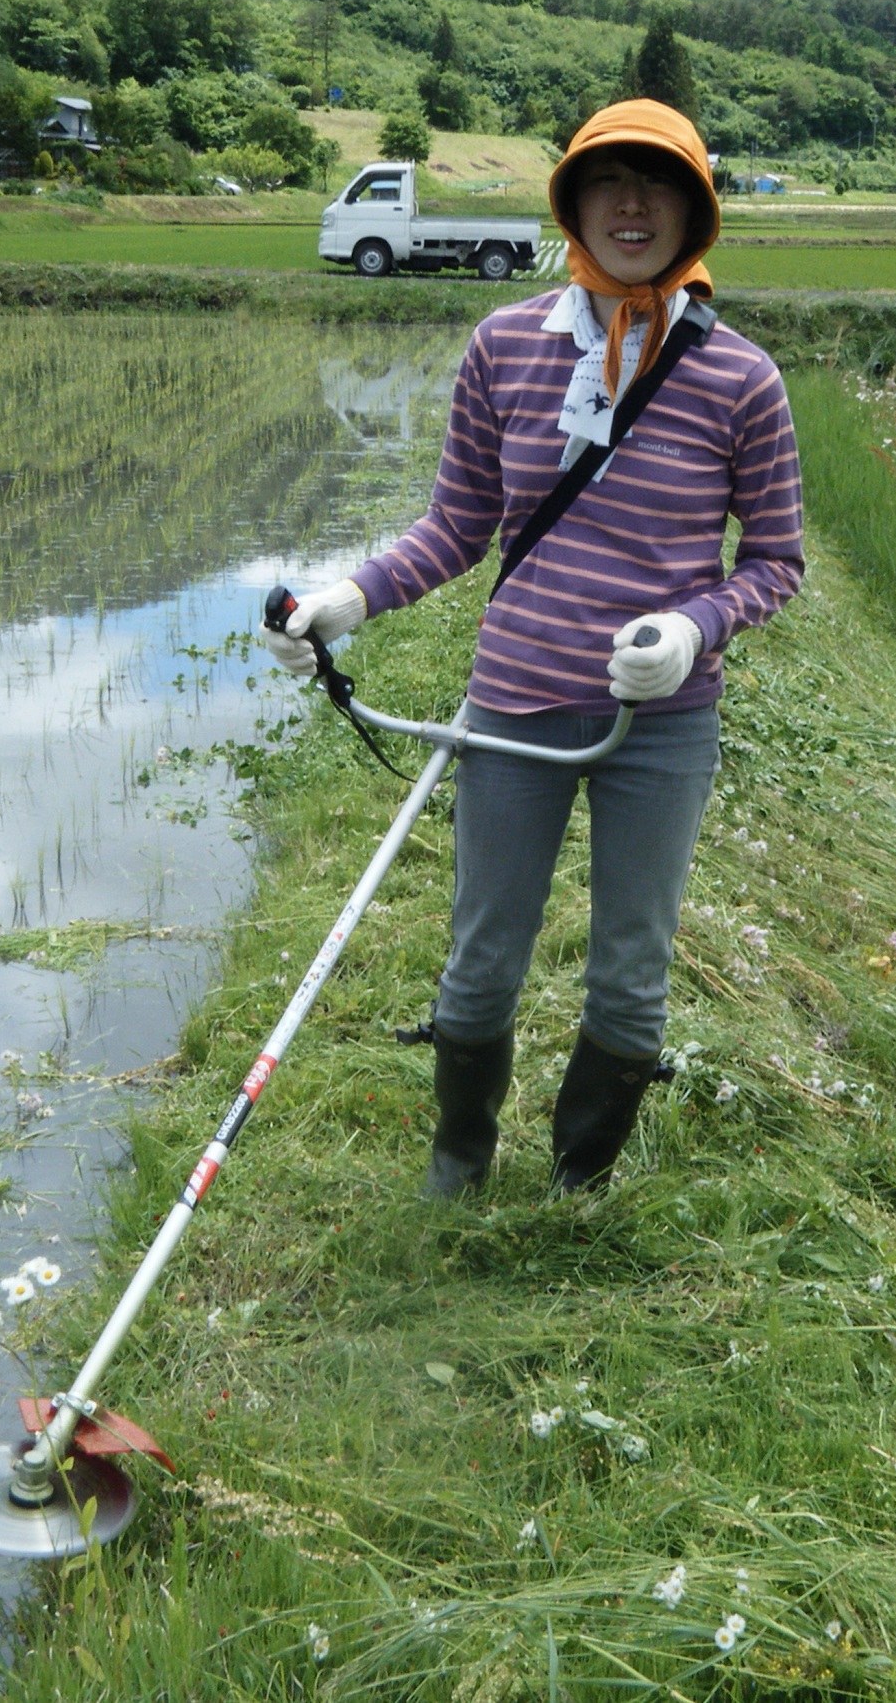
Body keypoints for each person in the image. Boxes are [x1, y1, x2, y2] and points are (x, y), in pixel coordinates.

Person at [263, 100, 803, 1195]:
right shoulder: (503, 344)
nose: (633, 205)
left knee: (630, 977)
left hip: (662, 724)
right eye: (609, 181)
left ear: (695, 209)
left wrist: (692, 626)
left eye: (659, 184)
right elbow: (458, 526)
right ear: (572, 201)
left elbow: (777, 562)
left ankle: (577, 1182)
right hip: (511, 704)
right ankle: (459, 1161)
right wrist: (347, 601)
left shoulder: (741, 378)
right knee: (479, 965)